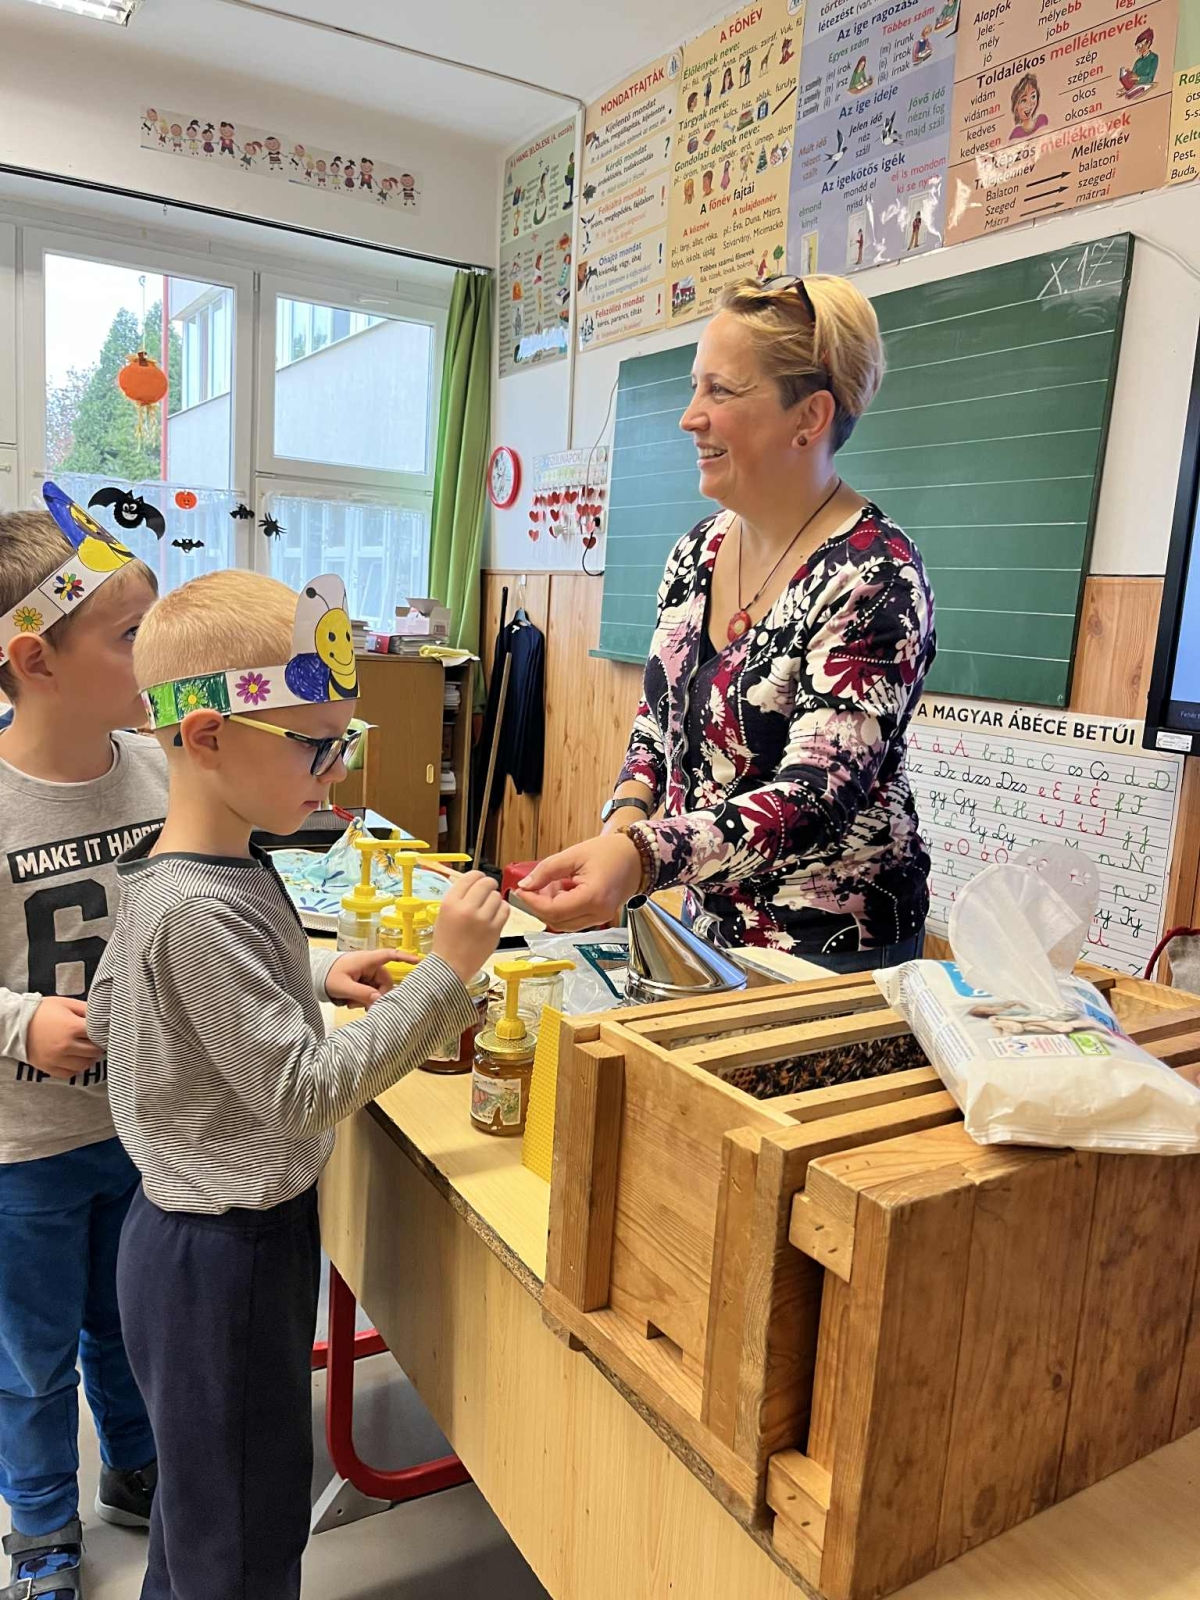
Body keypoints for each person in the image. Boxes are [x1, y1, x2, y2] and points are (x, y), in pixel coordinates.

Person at [87, 567, 507, 1600]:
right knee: (243, 1532)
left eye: (342, 740)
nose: (337, 768)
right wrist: (448, 974)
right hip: (220, 1259)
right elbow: (307, 1091)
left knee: (204, 1513)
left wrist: (308, 978)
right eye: (316, 745)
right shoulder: (196, 906)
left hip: (198, 1240)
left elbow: (116, 1007)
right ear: (208, 736)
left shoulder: (194, 866)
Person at [520, 275, 936, 972]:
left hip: (831, 949)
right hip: (708, 924)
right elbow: (657, 722)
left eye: (720, 391)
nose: (690, 417)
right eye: (695, 388)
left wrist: (642, 856)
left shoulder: (874, 575)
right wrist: (627, 817)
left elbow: (816, 798)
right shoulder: (698, 552)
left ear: (810, 417)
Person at [0, 494, 163, 1600]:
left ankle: (138, 1468)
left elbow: (205, 919)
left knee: (129, 1321)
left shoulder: (159, 771)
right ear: (35, 660)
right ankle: (42, 1527)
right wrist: (20, 1021)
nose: (156, 653)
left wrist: (309, 969)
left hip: (144, 1125)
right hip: (26, 1150)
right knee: (31, 1354)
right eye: (130, 634)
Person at [1009, 74, 1049, 139]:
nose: (1029, 104)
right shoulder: (1016, 134)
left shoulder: (1042, 120)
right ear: (1016, 106)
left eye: (1033, 97)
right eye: (1023, 101)